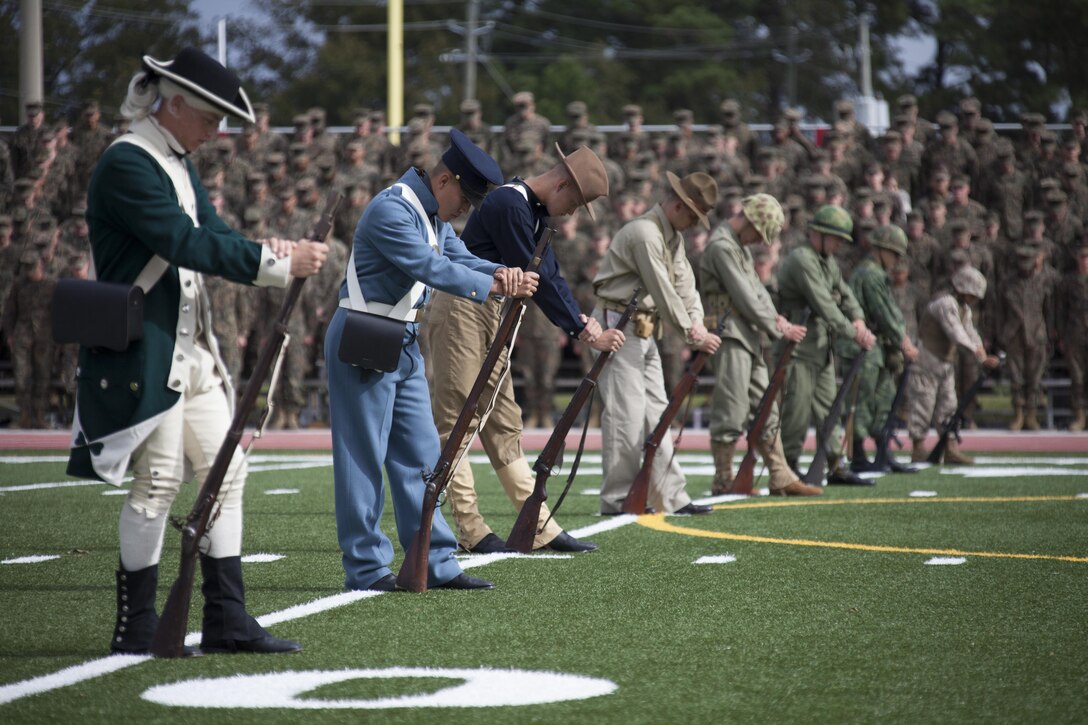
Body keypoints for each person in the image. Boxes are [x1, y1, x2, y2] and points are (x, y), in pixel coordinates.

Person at [65, 48, 329, 655]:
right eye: (210, 118)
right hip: (146, 349)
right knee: (158, 483)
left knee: (227, 470)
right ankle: (135, 625)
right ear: (175, 104)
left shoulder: (175, 161)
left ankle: (226, 619)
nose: (217, 132)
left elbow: (215, 234)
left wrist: (270, 251)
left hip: (190, 349)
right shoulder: (128, 162)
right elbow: (181, 241)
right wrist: (276, 265)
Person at [325, 129, 537, 593]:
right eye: (466, 197)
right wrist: (497, 286)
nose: (465, 210)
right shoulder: (393, 208)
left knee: (422, 455)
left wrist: (502, 270)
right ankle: (365, 568)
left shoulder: (429, 214)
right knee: (363, 457)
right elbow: (431, 268)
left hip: (399, 338)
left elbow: (461, 255)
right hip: (365, 335)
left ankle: (436, 559)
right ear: (444, 180)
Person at [424, 144, 622, 554]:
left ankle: (539, 525)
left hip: (490, 311)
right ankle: (470, 529)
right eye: (576, 202)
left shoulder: (526, 209)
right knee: (459, 415)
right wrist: (584, 330)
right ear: (562, 184)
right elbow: (542, 279)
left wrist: (581, 321)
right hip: (464, 306)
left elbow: (549, 274)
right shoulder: (511, 206)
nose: (571, 212)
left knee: (502, 418)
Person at [592, 171, 722, 515]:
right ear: (679, 206)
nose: (695, 225)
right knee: (626, 417)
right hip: (619, 326)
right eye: (694, 216)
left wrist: (696, 321)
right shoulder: (645, 235)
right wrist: (693, 333)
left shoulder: (671, 237)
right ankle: (618, 498)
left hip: (644, 331)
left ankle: (670, 496)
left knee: (657, 414)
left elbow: (685, 285)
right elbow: (664, 290)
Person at [700, 194, 821, 497]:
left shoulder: (736, 245)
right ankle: (724, 478)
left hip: (748, 333)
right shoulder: (721, 247)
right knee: (732, 406)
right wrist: (778, 327)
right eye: (758, 234)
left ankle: (779, 473)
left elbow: (757, 289)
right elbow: (743, 295)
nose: (757, 242)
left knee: (767, 403)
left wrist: (777, 320)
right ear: (750, 222)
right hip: (730, 332)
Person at [775, 205, 876, 484]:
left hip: (821, 346)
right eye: (835, 238)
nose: (839, 244)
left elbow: (845, 294)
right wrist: (854, 332)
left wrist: (858, 320)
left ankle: (835, 463)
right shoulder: (802, 260)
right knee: (797, 409)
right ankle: (790, 464)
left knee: (830, 406)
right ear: (817, 234)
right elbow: (824, 303)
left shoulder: (827, 261)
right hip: (797, 348)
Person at [835, 225, 919, 473]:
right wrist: (904, 342)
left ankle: (883, 451)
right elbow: (884, 314)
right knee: (862, 400)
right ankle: (859, 454)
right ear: (881, 251)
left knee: (883, 397)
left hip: (876, 347)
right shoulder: (870, 274)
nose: (896, 261)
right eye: (893, 254)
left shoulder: (874, 273)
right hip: (863, 347)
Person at [908, 267, 1000, 463]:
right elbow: (956, 333)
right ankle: (918, 448)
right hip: (927, 360)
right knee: (923, 404)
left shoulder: (963, 308)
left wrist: (981, 351)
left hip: (945, 363)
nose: (975, 299)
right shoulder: (945, 303)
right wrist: (979, 356)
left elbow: (970, 331)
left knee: (949, 406)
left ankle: (949, 448)